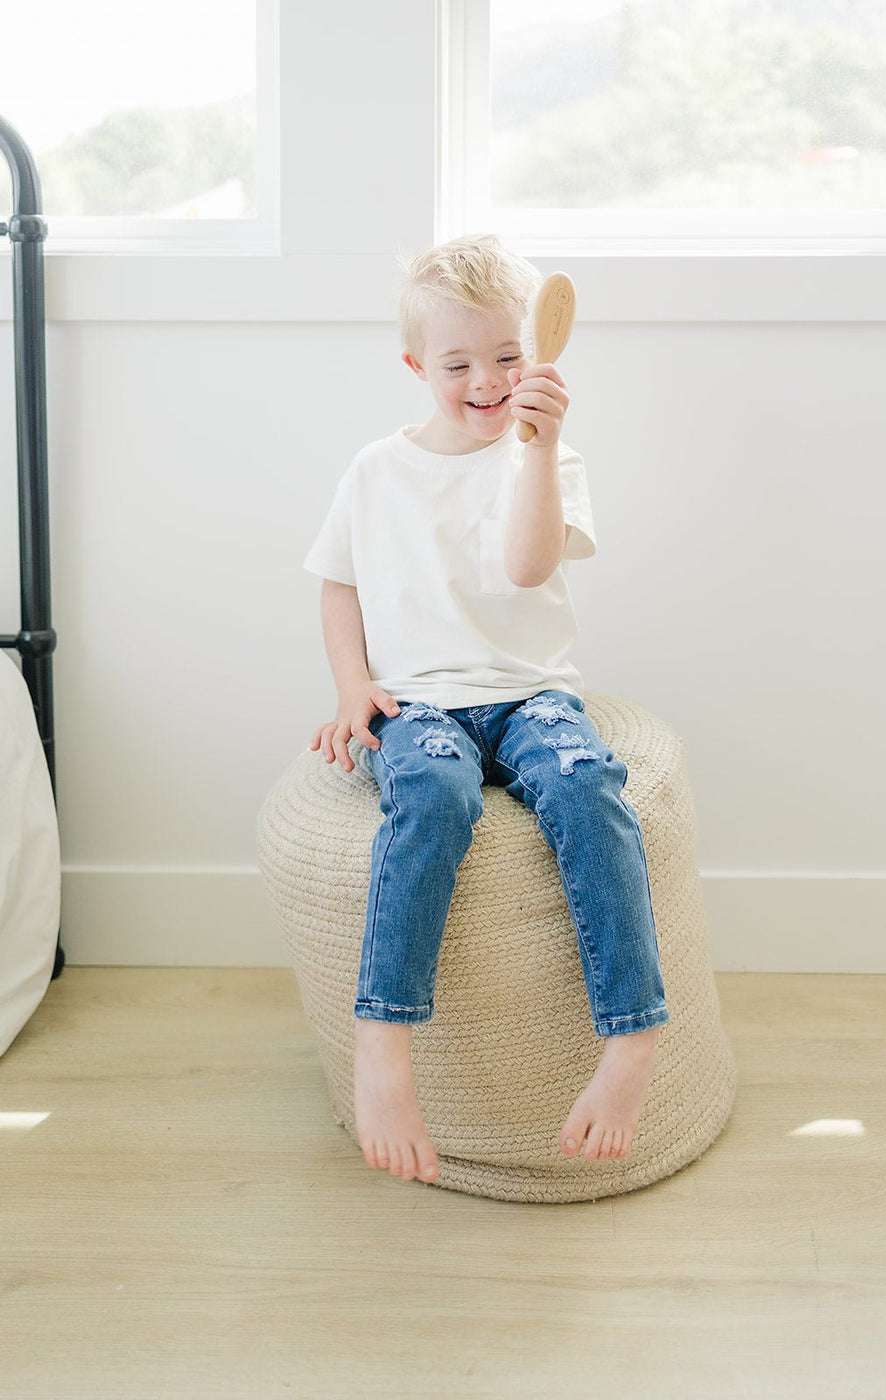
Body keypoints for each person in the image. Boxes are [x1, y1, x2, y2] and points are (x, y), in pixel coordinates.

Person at [306, 234, 669, 1186]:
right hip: (419, 699)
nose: (487, 380)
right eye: (458, 363)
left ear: (536, 356)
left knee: (589, 786)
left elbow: (527, 566)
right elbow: (337, 586)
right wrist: (354, 687)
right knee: (431, 796)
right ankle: (383, 1039)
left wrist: (538, 452)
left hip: (531, 693)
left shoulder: (548, 454)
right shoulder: (376, 470)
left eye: (509, 357)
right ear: (416, 366)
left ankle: (632, 1037)